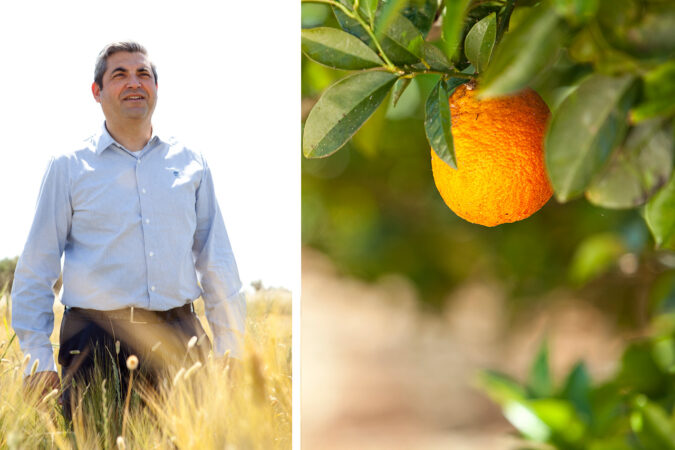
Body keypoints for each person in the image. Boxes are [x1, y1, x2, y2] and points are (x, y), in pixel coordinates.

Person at [11, 41, 246, 419]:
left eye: (144, 74)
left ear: (156, 88)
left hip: (179, 335)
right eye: (119, 75)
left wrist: (229, 347)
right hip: (93, 342)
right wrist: (37, 358)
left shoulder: (192, 164)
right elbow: (37, 266)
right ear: (97, 92)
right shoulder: (68, 166)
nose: (134, 83)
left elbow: (215, 259)